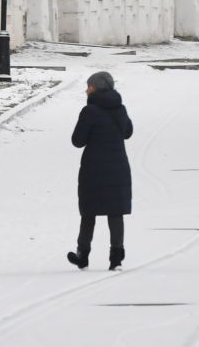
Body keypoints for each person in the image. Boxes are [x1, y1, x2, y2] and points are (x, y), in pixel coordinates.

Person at [68, 70, 134, 271]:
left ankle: (83, 254)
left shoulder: (89, 112)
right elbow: (128, 132)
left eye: (89, 86)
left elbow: (77, 141)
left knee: (89, 212)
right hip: (118, 167)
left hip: (94, 168)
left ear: (95, 88)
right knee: (116, 212)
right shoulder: (120, 109)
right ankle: (116, 258)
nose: (86, 90)